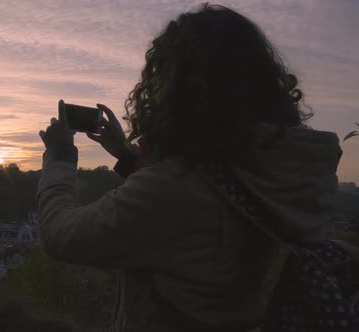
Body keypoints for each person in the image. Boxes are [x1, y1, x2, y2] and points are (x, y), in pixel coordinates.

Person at [37, 3, 343, 332]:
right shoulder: (283, 173)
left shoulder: (174, 190)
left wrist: (60, 159)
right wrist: (125, 155)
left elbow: (62, 234)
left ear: (177, 89)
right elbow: (205, 204)